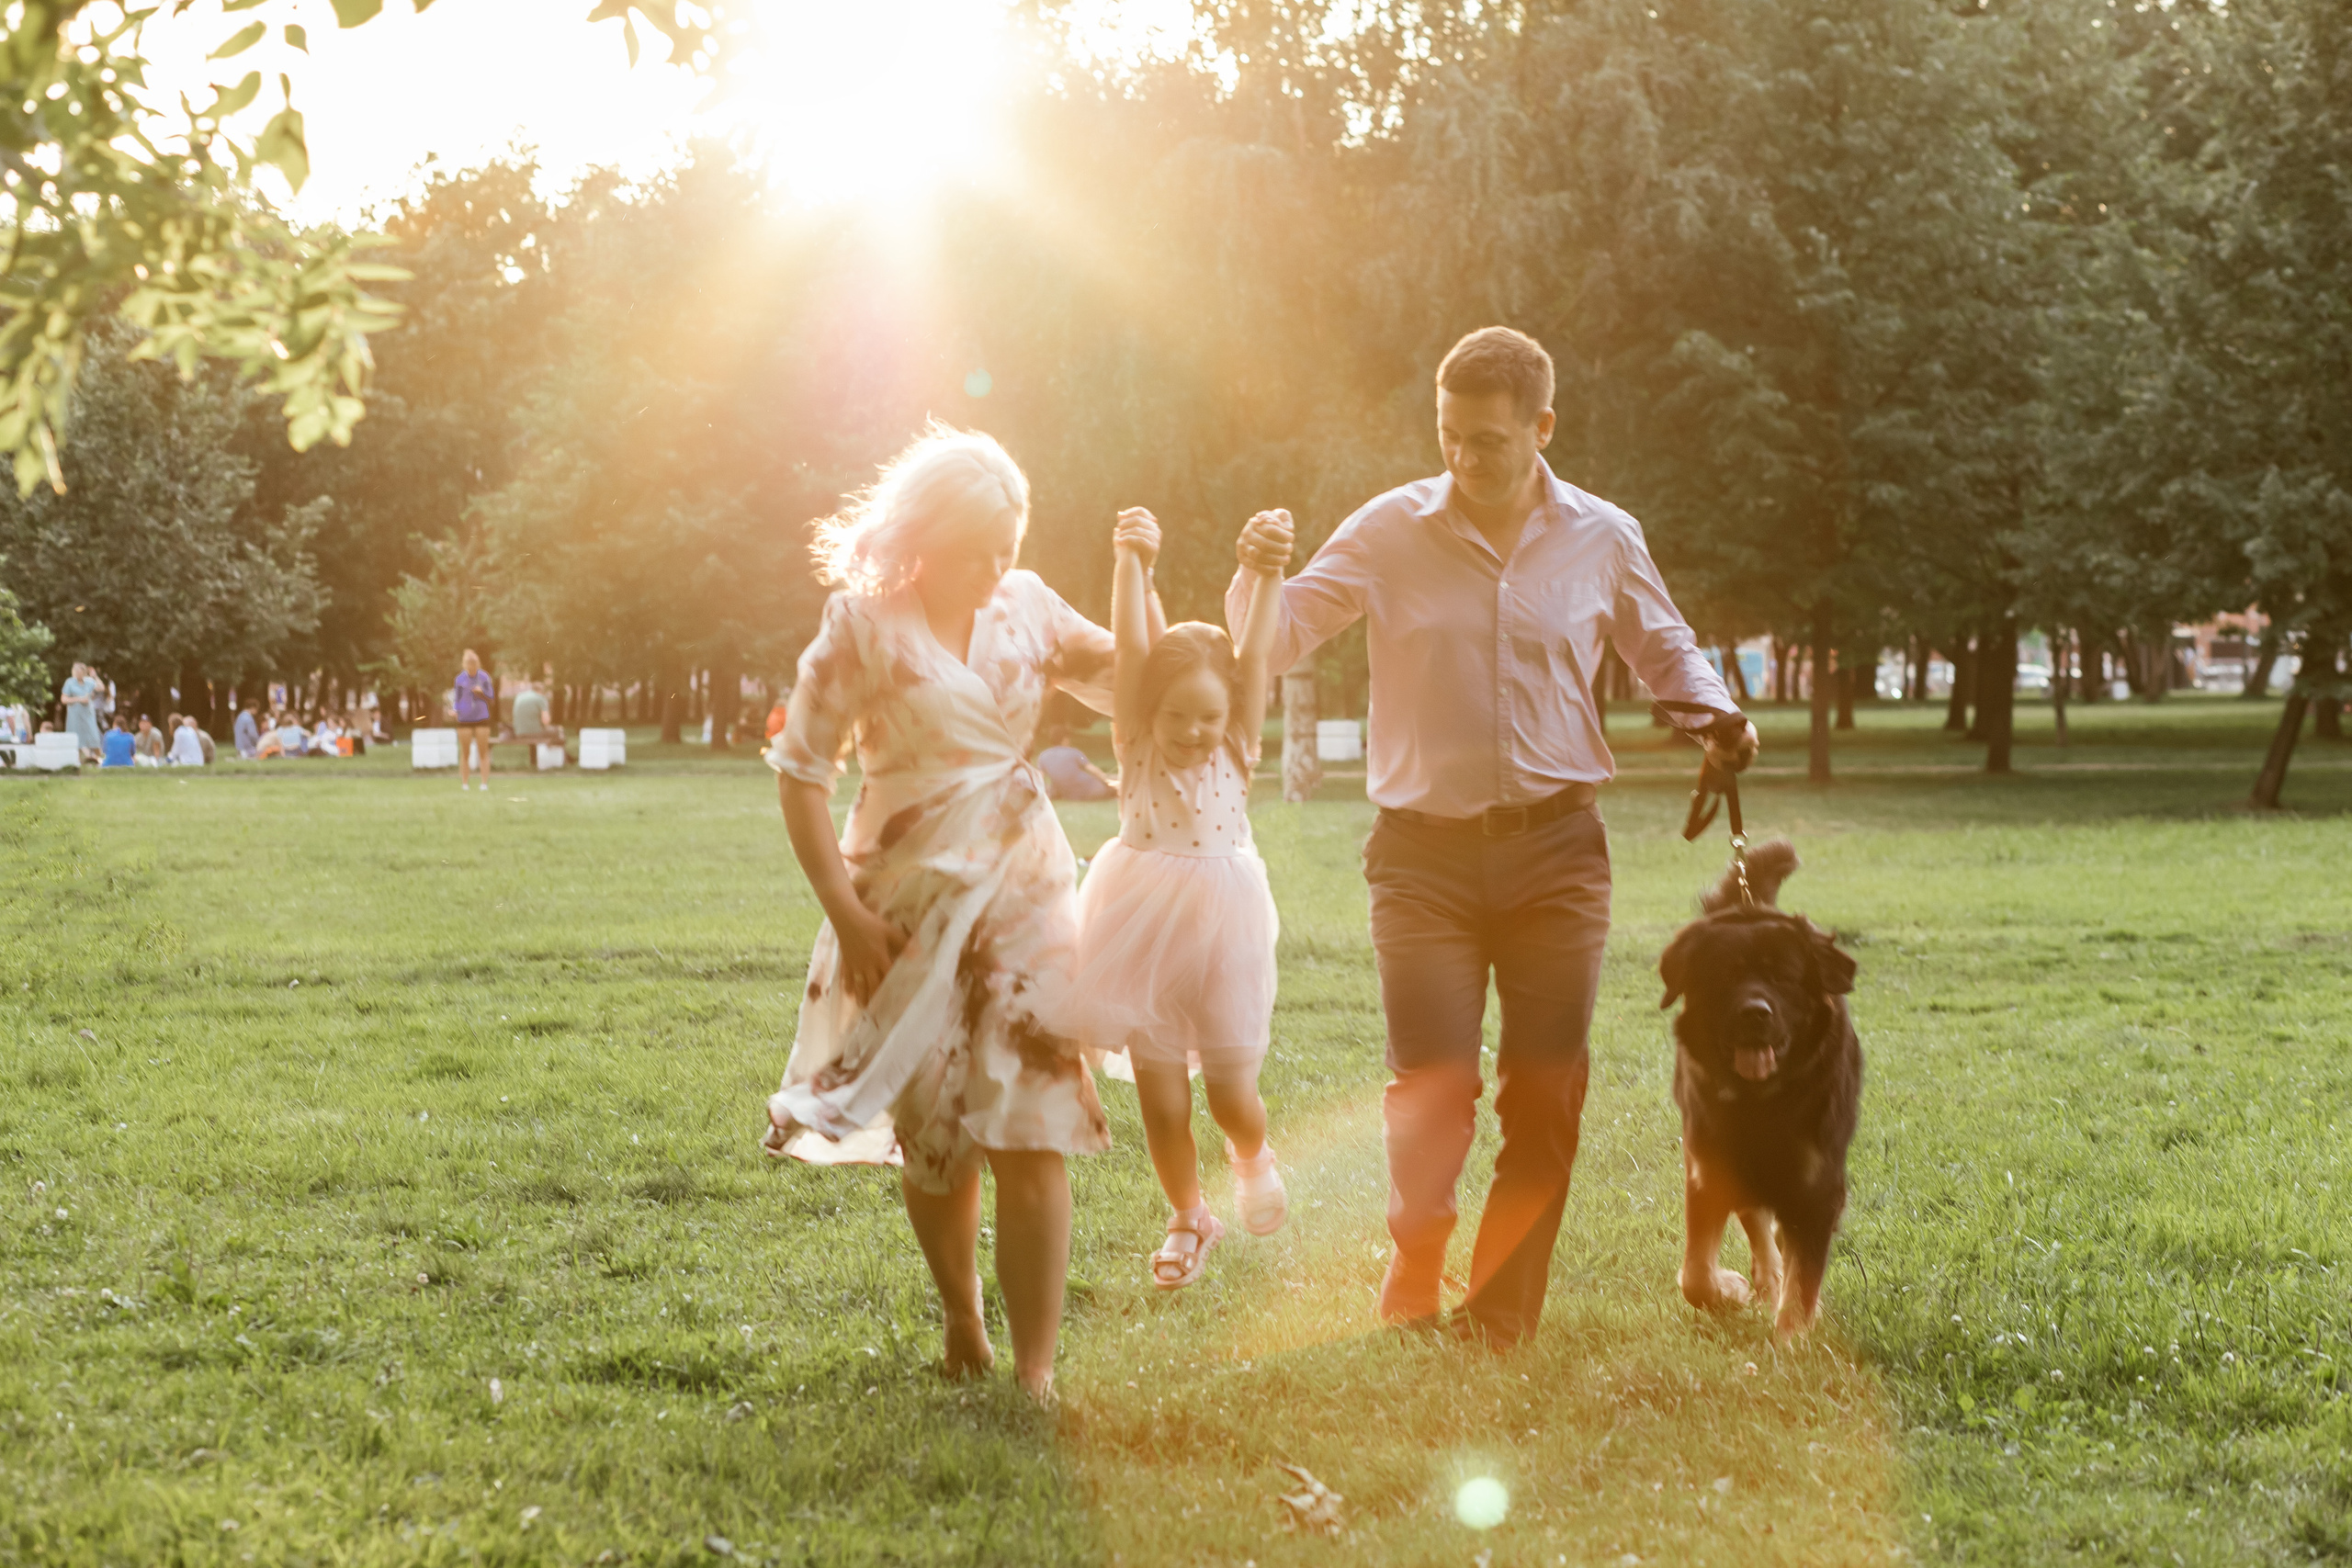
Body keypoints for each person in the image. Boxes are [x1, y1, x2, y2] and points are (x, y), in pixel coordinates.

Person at [1229, 326, 1759, 1349]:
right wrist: (1256, 574)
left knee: (1544, 1090)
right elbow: (1281, 633)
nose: (1464, 461)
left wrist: (1717, 717)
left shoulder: (1603, 536)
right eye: (1449, 439)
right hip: (1420, 858)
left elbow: (1665, 648)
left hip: (1557, 853)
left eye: (1487, 442)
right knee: (1431, 1086)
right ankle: (1417, 1261)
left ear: (1542, 428)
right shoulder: (1388, 530)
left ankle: (1502, 1313)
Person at [762, 423, 1125, 1400]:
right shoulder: (861, 627)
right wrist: (844, 912)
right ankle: (963, 1315)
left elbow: (1137, 673)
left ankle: (1037, 1373)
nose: (995, 570)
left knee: (1035, 1114)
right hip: (902, 908)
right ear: (924, 539)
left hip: (1026, 890)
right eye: (978, 552)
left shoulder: (1029, 608)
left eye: (1007, 550)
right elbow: (800, 776)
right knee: (939, 1134)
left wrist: (1137, 570)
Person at [1068, 508, 1290, 1291]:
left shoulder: (1237, 744)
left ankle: (1251, 1153)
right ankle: (1190, 1214)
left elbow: (1255, 650)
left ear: (1230, 718)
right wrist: (1131, 559)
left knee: (1232, 1093)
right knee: (1162, 1106)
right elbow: (1132, 648)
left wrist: (1265, 572)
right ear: (1146, 713)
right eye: (1177, 716)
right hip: (1139, 926)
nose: (1193, 732)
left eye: (1208, 717)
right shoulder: (1132, 740)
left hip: (1224, 924)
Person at [1033, 718, 1115, 802]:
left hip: (1067, 793)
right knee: (1112, 788)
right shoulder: (1074, 752)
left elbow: (1040, 777)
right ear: (1065, 739)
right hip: (1089, 789)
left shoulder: (1043, 756)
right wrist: (1106, 780)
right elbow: (1092, 769)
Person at [453, 649, 495, 791]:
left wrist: (481, 692)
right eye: (469, 664)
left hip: (481, 718)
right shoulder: (460, 679)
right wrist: (455, 710)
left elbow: (491, 697)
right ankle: (465, 783)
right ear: (465, 664)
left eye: (474, 664)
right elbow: (457, 700)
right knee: (465, 752)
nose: (472, 667)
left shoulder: (484, 677)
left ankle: (484, 783)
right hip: (464, 719)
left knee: (483, 751)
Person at [60, 663, 102, 762]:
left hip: (88, 715)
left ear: (84, 672)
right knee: (75, 739)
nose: (77, 673)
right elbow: (64, 699)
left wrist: (95, 676)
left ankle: (100, 759)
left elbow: (101, 688)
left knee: (93, 737)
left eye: (80, 671)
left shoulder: (89, 682)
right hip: (75, 716)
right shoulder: (69, 682)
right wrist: (79, 699)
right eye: (76, 671)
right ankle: (76, 761)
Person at [510, 679, 561, 743]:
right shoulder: (540, 698)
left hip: (518, 733)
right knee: (558, 731)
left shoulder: (519, 697)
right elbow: (546, 721)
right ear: (542, 690)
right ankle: (558, 753)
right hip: (535, 733)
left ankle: (537, 752)